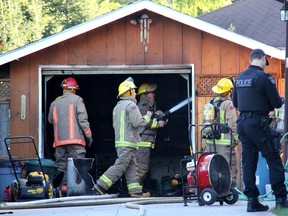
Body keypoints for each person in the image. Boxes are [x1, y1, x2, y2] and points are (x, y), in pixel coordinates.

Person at [232, 49, 288, 212]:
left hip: (242, 123)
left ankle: (252, 201)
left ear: (251, 60)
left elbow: (235, 102)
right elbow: (277, 103)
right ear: (263, 59)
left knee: (248, 162)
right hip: (258, 123)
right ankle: (281, 199)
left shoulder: (240, 77)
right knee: (273, 159)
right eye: (265, 61)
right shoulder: (264, 78)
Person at [94, 77, 153, 198]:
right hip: (128, 142)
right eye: (134, 90)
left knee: (132, 166)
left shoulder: (117, 106)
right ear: (129, 92)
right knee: (121, 165)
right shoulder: (131, 105)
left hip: (122, 142)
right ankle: (100, 186)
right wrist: (148, 116)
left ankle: (135, 191)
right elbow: (138, 122)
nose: (135, 93)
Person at [48, 77, 93, 193]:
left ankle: (62, 189)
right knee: (77, 166)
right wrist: (89, 136)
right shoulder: (77, 100)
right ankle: (76, 190)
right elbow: (83, 120)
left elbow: (50, 120)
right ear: (73, 89)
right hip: (75, 141)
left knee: (61, 166)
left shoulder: (54, 103)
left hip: (59, 142)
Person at [205, 78, 239, 187]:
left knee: (214, 168)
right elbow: (233, 124)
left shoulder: (211, 103)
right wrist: (238, 139)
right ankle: (229, 191)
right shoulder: (229, 104)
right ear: (229, 91)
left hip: (211, 143)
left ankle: (216, 189)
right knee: (229, 168)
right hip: (225, 145)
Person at [136, 83, 167, 187]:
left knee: (144, 167)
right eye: (151, 92)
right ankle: (135, 190)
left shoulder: (149, 105)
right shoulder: (143, 106)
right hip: (142, 141)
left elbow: (151, 117)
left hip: (147, 140)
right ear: (145, 94)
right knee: (142, 167)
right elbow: (144, 122)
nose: (154, 94)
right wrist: (158, 124)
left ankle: (138, 189)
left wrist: (158, 113)